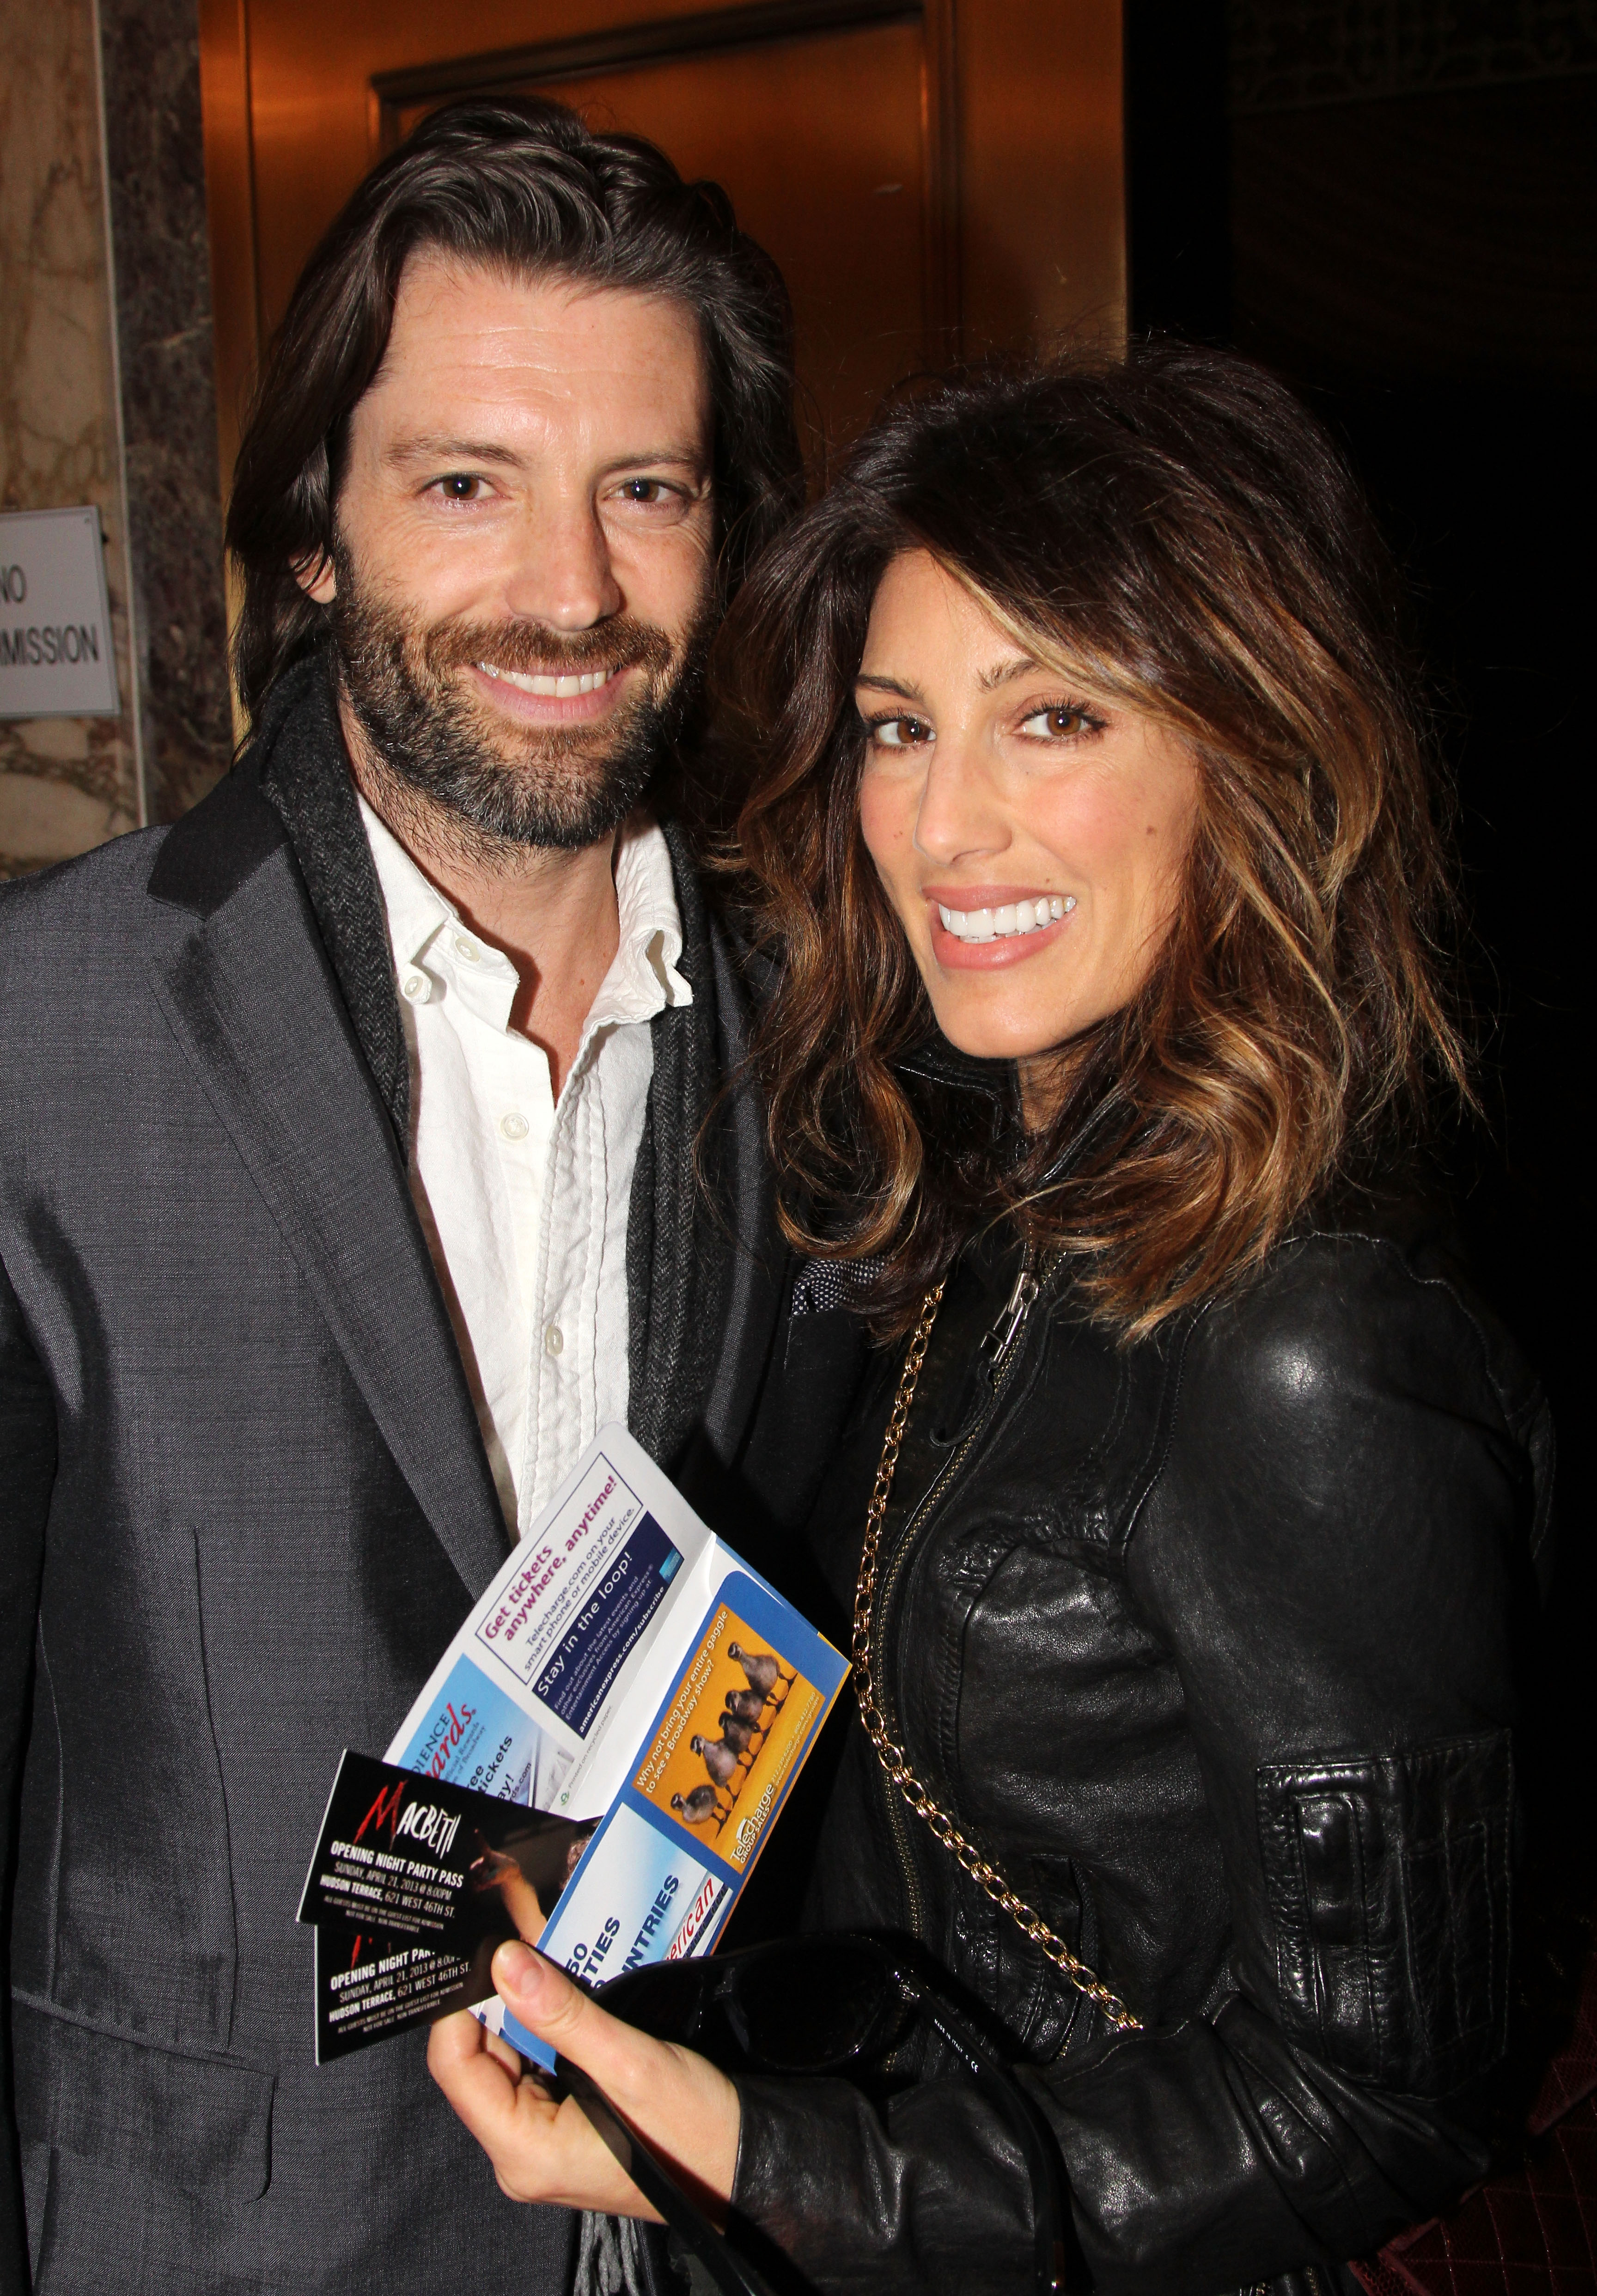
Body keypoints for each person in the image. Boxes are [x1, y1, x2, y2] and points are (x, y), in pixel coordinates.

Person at [427, 346, 1554, 2295]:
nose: (945, 827)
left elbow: (1384, 2097)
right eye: (893, 727)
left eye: (1051, 718)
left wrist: (770, 2165)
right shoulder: (987, 1206)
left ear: (1252, 749)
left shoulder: (1312, 1342)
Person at [0, 98, 863, 2294]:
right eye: (466, 485)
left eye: (645, 491)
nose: (571, 592)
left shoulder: (844, 1031)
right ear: (314, 535)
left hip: (706, 2219)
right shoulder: (49, 1036)